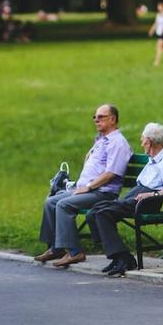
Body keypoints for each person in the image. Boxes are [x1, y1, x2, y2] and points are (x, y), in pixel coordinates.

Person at [35, 104, 133, 267]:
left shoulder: (118, 143)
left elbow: (111, 173)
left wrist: (88, 187)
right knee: (51, 201)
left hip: (102, 192)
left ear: (112, 119)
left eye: (101, 117)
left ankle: (75, 252)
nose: (96, 120)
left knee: (64, 205)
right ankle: (56, 248)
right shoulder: (102, 140)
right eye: (95, 117)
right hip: (89, 189)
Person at [86, 122, 163, 277]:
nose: (141, 143)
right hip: (137, 196)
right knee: (94, 211)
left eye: (142, 140)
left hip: (148, 201)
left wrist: (151, 195)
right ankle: (119, 256)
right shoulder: (153, 158)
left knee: (103, 214)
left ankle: (123, 258)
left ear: (149, 142)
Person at [147, 1, 163, 67]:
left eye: (159, 6)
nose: (158, 7)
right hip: (159, 33)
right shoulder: (158, 15)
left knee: (158, 47)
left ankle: (156, 62)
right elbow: (155, 23)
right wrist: (151, 30)